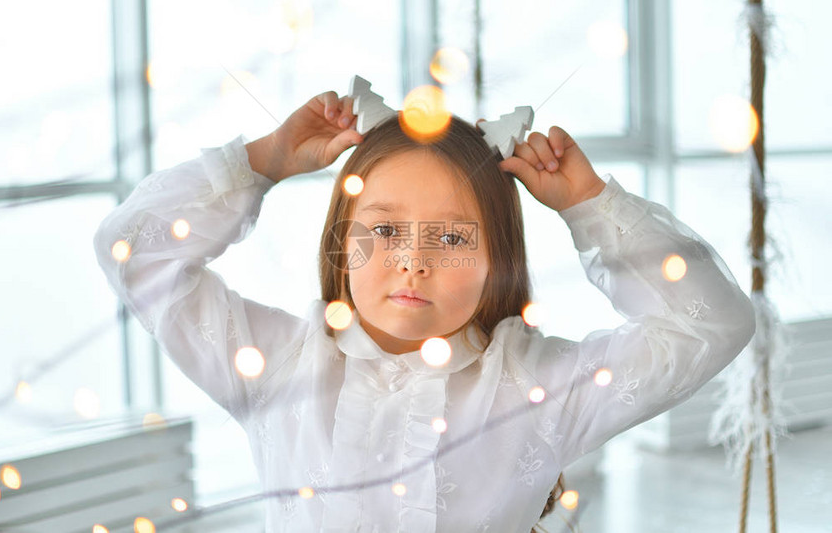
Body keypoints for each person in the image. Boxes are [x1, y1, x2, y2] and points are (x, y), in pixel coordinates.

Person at [94, 89, 755, 532]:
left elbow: (711, 323)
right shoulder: (273, 366)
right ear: (341, 241)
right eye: (383, 231)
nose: (413, 262)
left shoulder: (538, 387)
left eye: (451, 237)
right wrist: (261, 161)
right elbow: (132, 252)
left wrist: (591, 204)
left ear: (496, 256)